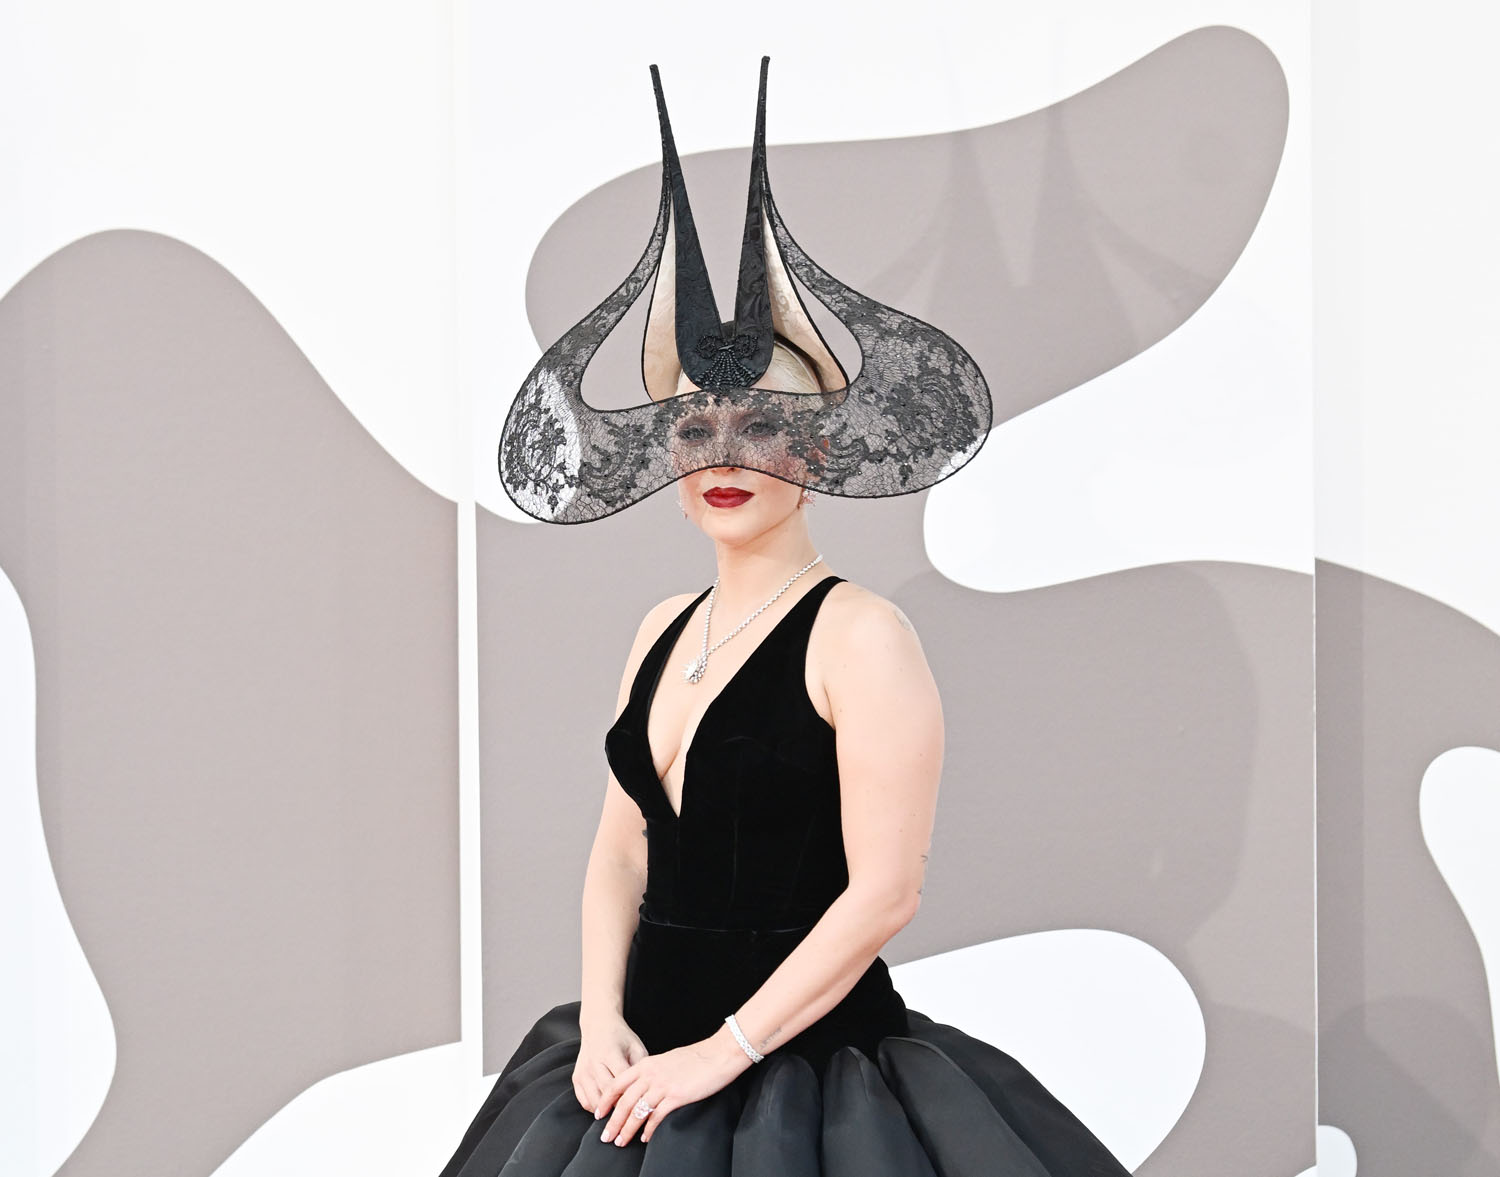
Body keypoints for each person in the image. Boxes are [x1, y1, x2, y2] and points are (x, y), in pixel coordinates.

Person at [439, 58, 1132, 1176]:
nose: (723, 453)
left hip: (804, 1082)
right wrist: (602, 1018)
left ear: (814, 450)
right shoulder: (660, 627)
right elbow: (620, 849)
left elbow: (886, 891)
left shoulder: (862, 635)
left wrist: (723, 1053)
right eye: (694, 426)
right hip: (634, 1067)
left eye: (759, 422)